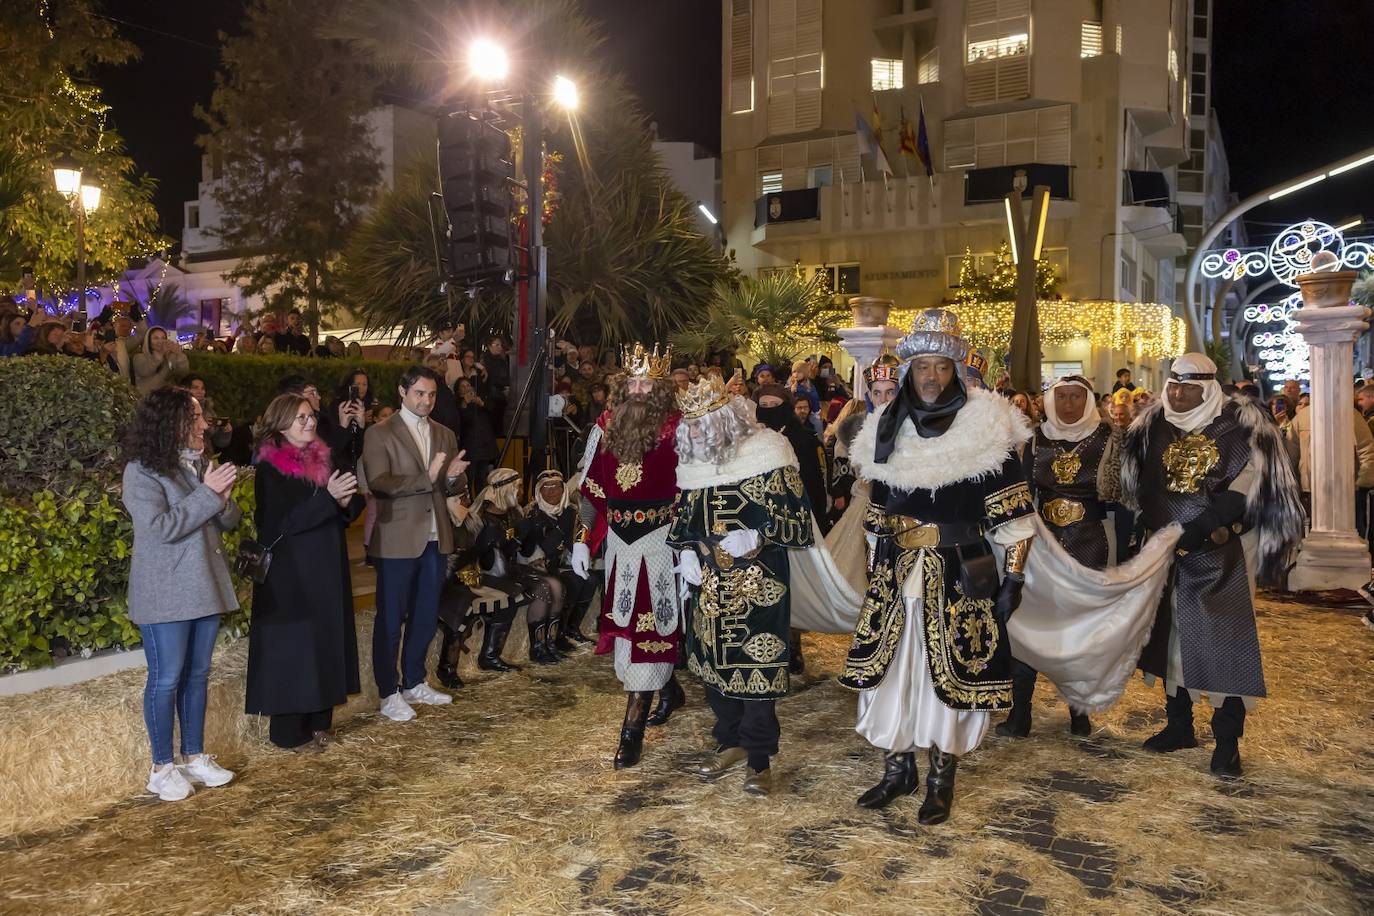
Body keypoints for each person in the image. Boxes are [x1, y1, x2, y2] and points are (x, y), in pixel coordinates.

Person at [842, 309, 1036, 824]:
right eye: (922, 367)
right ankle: (896, 768)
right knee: (894, 674)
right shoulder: (886, 429)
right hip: (896, 572)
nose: (931, 377)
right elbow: (877, 512)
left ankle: (940, 778)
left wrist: (1013, 579)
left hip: (957, 575)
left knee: (944, 677)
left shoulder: (987, 431)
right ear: (909, 372)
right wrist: (873, 564)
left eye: (941, 367)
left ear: (955, 371)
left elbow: (1014, 518)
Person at [1120, 353, 1303, 778]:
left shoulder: (1243, 426)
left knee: (1225, 643)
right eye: (1174, 385)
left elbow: (1250, 483)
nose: (1179, 393)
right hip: (1163, 549)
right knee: (1167, 639)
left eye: (1189, 386)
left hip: (1223, 551)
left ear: (1209, 386)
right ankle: (1179, 726)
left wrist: (1205, 524)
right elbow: (1139, 483)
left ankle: (1226, 741)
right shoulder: (1151, 426)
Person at [669, 375, 816, 796]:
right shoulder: (695, 467)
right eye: (690, 426)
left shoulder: (768, 453)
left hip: (759, 584)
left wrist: (760, 535)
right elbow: (684, 520)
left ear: (725, 420)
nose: (695, 433)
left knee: (755, 672)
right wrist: (686, 553)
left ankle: (758, 760)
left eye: (702, 424)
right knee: (714, 666)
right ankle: (728, 740)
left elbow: (799, 520)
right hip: (710, 583)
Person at [121, 387, 241, 800]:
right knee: (167, 677)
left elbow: (229, 521)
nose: (204, 424)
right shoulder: (141, 471)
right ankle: (161, 766)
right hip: (166, 594)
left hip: (203, 587)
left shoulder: (198, 465)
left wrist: (222, 500)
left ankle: (193, 757)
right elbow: (161, 528)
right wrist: (208, 495)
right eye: (195, 417)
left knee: (196, 675)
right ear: (171, 423)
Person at [570, 343, 685, 768]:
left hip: (662, 540)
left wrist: (689, 545)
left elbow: (694, 489)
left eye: (647, 383)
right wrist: (582, 539)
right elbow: (590, 490)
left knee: (651, 627)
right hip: (620, 542)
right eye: (632, 381)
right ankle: (668, 689)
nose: (638, 389)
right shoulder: (604, 426)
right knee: (626, 626)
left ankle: (631, 730)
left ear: (659, 389)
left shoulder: (681, 428)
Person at [245, 394, 365, 751]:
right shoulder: (271, 466)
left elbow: (349, 501)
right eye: (301, 419)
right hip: (291, 574)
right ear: (281, 423)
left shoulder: (323, 456)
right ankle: (287, 733)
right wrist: (328, 498)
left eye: (311, 417)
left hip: (326, 566)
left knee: (326, 641)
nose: (310, 423)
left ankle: (318, 723)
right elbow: (279, 523)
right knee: (296, 649)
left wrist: (345, 503)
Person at [998, 375, 1115, 740]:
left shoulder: (1108, 438)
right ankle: (1021, 714)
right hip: (1042, 545)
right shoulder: (1036, 438)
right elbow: (1023, 493)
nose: (1067, 404)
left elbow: (1120, 497)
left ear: (1088, 400)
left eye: (1075, 397)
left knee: (1079, 631)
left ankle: (1079, 713)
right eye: (1061, 397)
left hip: (1089, 543)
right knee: (1027, 625)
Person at [361, 366, 469, 721]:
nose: (426, 400)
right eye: (420, 393)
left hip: (437, 536)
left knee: (425, 615)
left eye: (432, 394)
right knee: (391, 619)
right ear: (402, 392)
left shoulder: (445, 434)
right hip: (397, 539)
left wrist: (453, 478)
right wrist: (430, 477)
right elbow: (380, 483)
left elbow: (452, 487)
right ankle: (388, 692)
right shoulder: (380, 433)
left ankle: (414, 681)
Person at [518, 468, 597, 652]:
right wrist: (563, 526)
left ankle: (569, 629)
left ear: (564, 490)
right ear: (539, 490)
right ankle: (551, 638)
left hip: (557, 564)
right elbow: (547, 548)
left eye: (556, 487)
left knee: (589, 578)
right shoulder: (532, 512)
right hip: (533, 568)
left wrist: (568, 525)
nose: (552, 491)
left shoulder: (569, 511)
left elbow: (571, 546)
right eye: (546, 487)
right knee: (564, 583)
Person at [753, 384, 829, 530]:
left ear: (786, 407)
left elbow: (817, 484)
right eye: (763, 405)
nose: (769, 409)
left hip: (797, 514)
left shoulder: (806, 440)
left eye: (775, 404)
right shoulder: (752, 439)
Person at [456, 377, 498, 496]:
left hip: (485, 446)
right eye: (463, 387)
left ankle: (481, 506)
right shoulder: (460, 406)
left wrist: (482, 403)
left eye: (468, 385)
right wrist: (466, 404)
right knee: (469, 479)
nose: (467, 388)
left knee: (482, 480)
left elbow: (494, 413)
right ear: (459, 392)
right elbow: (465, 423)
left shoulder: (480, 402)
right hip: (471, 449)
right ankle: (469, 506)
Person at [132, 327, 189, 395]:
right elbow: (146, 373)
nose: (160, 341)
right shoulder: (139, 357)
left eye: (163, 338)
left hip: (169, 398)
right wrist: (159, 357)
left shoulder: (170, 357)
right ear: (148, 341)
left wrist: (179, 355)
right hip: (148, 398)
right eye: (156, 338)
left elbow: (182, 374)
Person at [482, 335, 511, 434]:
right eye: (497, 345)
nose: (500, 347)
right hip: (492, 398)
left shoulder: (500, 360)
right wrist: (504, 387)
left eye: (501, 345)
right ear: (489, 346)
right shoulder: (487, 360)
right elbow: (493, 377)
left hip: (500, 397)